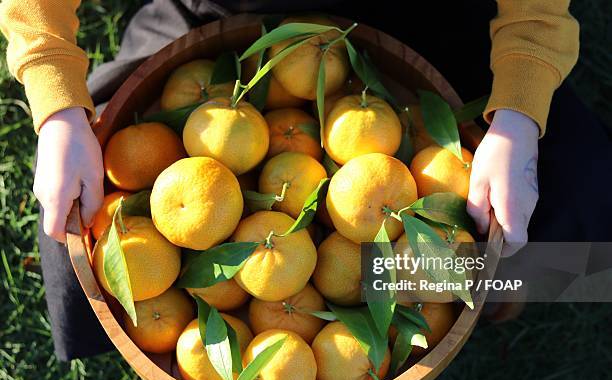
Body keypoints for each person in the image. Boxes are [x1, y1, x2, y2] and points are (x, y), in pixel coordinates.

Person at [1, 0, 604, 361]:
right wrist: (57, 109)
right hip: (224, 19)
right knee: (76, 236)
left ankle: (482, 295)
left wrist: (520, 115)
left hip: (428, 17)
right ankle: (170, 344)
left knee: (584, 189)